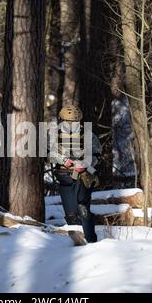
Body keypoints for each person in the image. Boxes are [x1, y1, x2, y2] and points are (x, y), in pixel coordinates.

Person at [48, 104, 102, 243]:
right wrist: (63, 160)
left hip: (83, 177)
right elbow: (50, 154)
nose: (70, 125)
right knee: (71, 214)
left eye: (73, 122)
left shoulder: (89, 135)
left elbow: (97, 155)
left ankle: (90, 239)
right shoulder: (54, 135)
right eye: (67, 121)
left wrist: (85, 163)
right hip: (65, 177)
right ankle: (77, 240)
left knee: (83, 208)